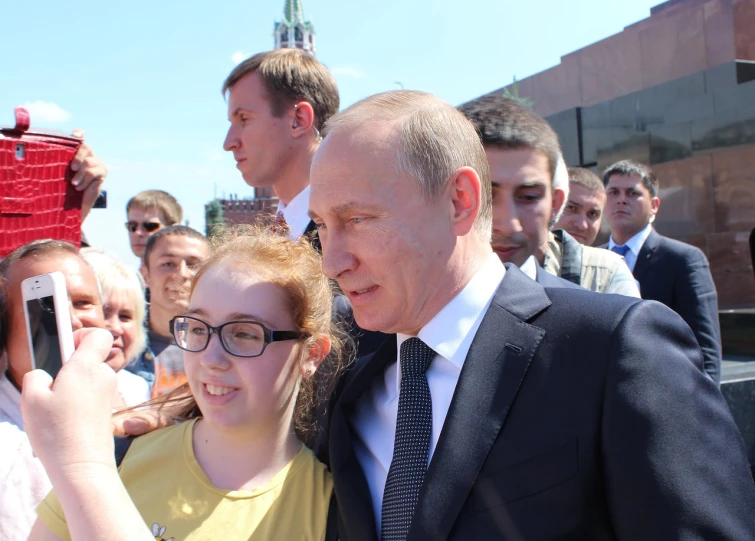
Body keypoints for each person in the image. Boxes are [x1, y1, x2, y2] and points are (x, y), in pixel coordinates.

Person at [30, 226, 347, 541]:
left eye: (246, 333)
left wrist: (81, 467)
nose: (211, 358)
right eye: (198, 328)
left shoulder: (331, 512)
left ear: (312, 354)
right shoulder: (118, 458)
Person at [223, 48, 385, 357]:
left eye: (243, 119)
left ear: (299, 119)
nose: (229, 141)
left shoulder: (361, 234)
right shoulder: (276, 233)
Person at [458, 96, 639, 296]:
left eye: (528, 197)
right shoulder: (419, 311)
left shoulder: (599, 310)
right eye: (484, 195)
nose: (509, 224)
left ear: (554, 204)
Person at [0, 240, 105, 541]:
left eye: (84, 302)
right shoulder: (7, 450)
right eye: (46, 306)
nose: (71, 320)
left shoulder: (136, 406)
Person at [603, 159, 722, 383]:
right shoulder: (592, 260)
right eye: (613, 192)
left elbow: (705, 347)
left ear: (654, 205)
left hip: (665, 391)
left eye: (632, 193)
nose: (621, 199)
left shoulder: (683, 259)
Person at [127, 226, 211, 396]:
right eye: (168, 264)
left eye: (194, 265)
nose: (182, 273)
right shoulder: (120, 345)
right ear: (145, 274)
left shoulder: (225, 348)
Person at [81, 249, 150, 408]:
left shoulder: (137, 389)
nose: (116, 328)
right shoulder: (50, 393)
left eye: (125, 316)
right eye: (104, 314)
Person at [125, 190, 183, 261]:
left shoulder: (189, 271)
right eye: (132, 226)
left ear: (174, 231)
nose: (137, 233)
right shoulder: (117, 271)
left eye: (149, 226)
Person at [555, 167, 606, 246]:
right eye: (572, 208)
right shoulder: (529, 257)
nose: (582, 225)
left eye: (592, 214)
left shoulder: (611, 258)